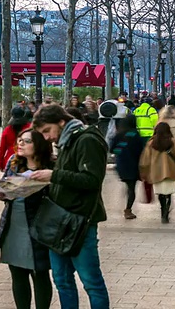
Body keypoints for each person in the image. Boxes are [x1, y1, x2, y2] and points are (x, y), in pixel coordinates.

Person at [30, 104, 110, 309]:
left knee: (91, 282)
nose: (47, 137)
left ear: (61, 122)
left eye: (47, 131)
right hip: (60, 220)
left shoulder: (86, 140)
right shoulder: (67, 141)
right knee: (61, 279)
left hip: (81, 220)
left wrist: (54, 175)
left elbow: (92, 180)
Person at [0, 129, 53, 309]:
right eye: (19, 140)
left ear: (39, 145)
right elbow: (5, 183)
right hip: (14, 223)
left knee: (40, 272)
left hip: (38, 225)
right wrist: (2, 193)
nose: (20, 144)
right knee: (17, 272)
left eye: (26, 141)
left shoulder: (51, 166)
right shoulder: (13, 162)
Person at [139, 122, 175, 224]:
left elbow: (145, 161)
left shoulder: (151, 144)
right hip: (171, 173)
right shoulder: (174, 143)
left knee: (161, 193)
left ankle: (163, 210)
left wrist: (144, 172)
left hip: (156, 173)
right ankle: (166, 212)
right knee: (169, 194)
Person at [110, 115, 144, 219]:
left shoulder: (118, 135)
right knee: (131, 188)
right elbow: (141, 151)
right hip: (133, 165)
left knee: (128, 185)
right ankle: (128, 209)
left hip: (121, 164)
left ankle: (125, 201)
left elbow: (112, 149)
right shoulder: (136, 135)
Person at [133, 97, 159, 203]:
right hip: (149, 135)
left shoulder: (137, 110)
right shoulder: (151, 110)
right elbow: (156, 122)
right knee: (150, 154)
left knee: (141, 154)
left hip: (139, 135)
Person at [0, 107, 31, 171]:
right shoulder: (30, 127)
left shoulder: (7, 130)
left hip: (10, 160)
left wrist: (0, 163)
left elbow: (2, 148)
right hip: (27, 158)